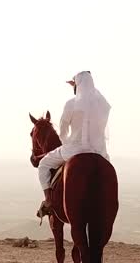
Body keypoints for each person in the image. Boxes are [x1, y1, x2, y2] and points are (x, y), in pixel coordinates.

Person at [36, 71, 111, 218]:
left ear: (77, 86)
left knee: (43, 165)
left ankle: (48, 201)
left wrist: (67, 142)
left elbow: (63, 127)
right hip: (99, 152)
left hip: (75, 150)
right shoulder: (103, 105)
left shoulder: (71, 103)